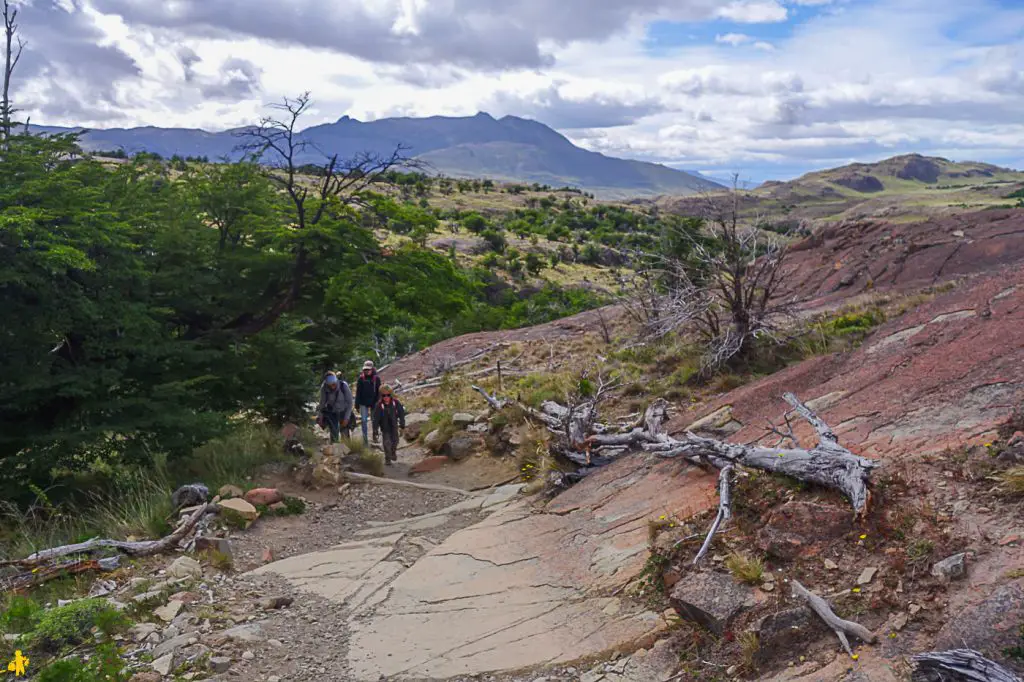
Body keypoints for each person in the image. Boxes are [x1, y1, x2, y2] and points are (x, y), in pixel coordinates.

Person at [372, 384, 406, 465]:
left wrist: (402, 425)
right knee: (387, 443)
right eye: (384, 395)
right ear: (381, 396)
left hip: (394, 426)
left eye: (388, 395)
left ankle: (393, 452)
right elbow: (375, 419)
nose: (386, 397)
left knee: (395, 442)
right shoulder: (379, 406)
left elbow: (401, 414)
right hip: (385, 428)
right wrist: (375, 430)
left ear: (391, 394)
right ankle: (387, 458)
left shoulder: (396, 403)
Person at [317, 372, 352, 444]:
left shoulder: (343, 386)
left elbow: (349, 403)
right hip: (332, 411)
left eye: (334, 384)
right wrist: (320, 417)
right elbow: (322, 403)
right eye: (330, 385)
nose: (333, 386)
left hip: (344, 410)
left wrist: (346, 418)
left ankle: (346, 451)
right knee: (333, 432)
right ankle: (335, 450)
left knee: (345, 433)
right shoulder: (324, 388)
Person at [355, 360, 381, 445]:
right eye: (365, 369)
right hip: (363, 402)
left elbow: (379, 392)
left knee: (375, 420)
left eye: (368, 369)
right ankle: (365, 439)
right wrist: (357, 404)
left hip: (374, 402)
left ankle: (375, 435)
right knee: (363, 420)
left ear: (372, 369)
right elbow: (358, 392)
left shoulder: (376, 379)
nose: (367, 371)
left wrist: (379, 402)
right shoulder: (361, 379)